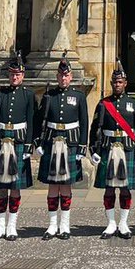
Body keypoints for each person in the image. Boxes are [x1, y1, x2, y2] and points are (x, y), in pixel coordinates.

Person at [36, 52, 89, 240]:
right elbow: (40, 120)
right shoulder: (49, 95)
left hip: (70, 142)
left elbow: (84, 122)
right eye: (61, 75)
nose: (63, 78)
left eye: (66, 75)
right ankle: (52, 226)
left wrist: (82, 148)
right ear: (57, 77)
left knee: (66, 185)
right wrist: (39, 143)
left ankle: (65, 226)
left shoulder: (79, 96)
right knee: (52, 185)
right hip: (51, 141)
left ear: (71, 77)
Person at [0, 50, 36, 241]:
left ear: (23, 75)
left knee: (15, 185)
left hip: (18, 141)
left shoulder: (28, 95)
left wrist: (29, 145)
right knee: (1, 185)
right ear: (9, 75)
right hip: (1, 141)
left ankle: (12, 225)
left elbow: (32, 120)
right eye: (12, 74)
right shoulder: (0, 93)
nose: (15, 77)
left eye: (18, 74)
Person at [89, 59, 135, 238]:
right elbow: (95, 127)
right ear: (111, 83)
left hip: (127, 148)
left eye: (120, 82)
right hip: (108, 148)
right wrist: (93, 150)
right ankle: (111, 223)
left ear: (125, 83)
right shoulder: (104, 104)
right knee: (109, 188)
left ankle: (124, 223)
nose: (117, 85)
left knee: (125, 188)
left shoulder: (133, 103)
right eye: (115, 82)